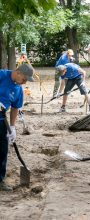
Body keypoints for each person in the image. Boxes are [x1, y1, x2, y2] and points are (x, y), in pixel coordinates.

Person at [0, 63, 35, 191]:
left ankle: (0, 180)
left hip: (1, 120)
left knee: (2, 151)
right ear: (18, 72)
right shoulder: (2, 75)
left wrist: (13, 127)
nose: (24, 82)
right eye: (24, 79)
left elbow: (15, 108)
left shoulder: (19, 89)